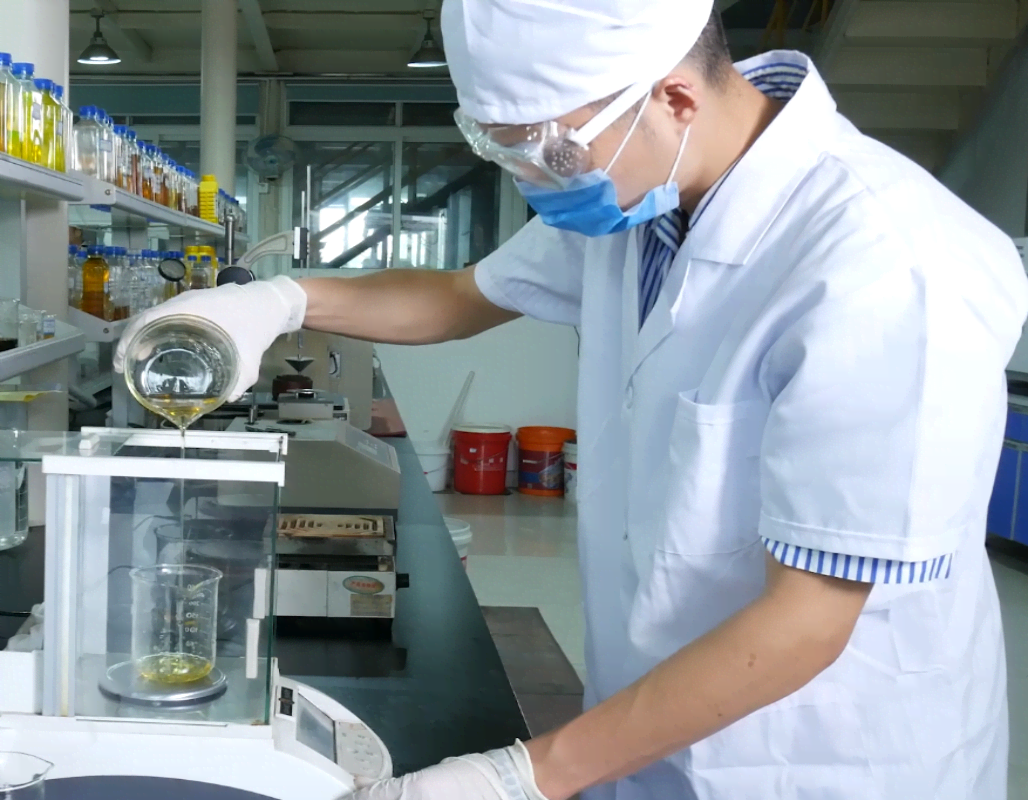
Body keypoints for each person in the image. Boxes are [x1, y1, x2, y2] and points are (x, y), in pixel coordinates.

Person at [116, 2, 1028, 798]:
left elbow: (810, 620)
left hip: (820, 756)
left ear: (674, 98)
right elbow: (459, 297)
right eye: (504, 149)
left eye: (549, 149)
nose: (533, 181)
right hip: (649, 723)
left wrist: (525, 775)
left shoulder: (889, 266)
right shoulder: (647, 194)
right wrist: (277, 302)